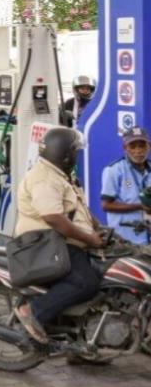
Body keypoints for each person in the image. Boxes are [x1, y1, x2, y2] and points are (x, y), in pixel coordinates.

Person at [13, 127, 103, 345]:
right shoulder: (44, 178)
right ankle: (33, 311)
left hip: (61, 244)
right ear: (63, 152)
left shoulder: (60, 175)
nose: (76, 156)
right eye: (74, 151)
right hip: (46, 246)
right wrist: (89, 239)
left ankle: (82, 341)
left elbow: (79, 209)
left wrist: (99, 229)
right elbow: (54, 218)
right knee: (85, 283)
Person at [100, 126, 151, 244]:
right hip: (126, 239)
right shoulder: (114, 170)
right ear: (125, 148)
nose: (138, 151)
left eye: (142, 146)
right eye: (132, 146)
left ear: (149, 146)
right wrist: (140, 206)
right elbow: (106, 205)